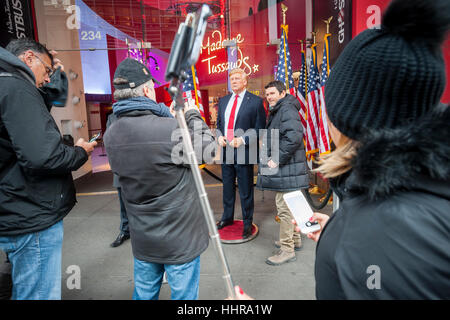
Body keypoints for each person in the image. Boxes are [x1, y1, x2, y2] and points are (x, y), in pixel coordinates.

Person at [304, 0, 450, 299]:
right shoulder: (415, 199)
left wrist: (353, 237)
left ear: (349, 119)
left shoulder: (383, 230)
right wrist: (339, 230)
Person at [104, 58, 215, 300]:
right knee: (184, 297)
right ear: (146, 90)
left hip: (144, 237)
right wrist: (193, 115)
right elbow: (209, 148)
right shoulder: (168, 128)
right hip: (180, 238)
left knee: (144, 294)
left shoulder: (111, 133)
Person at [0, 38, 96, 300]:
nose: (45, 79)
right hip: (29, 213)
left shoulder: (8, 84)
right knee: (38, 294)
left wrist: (52, 77)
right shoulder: (15, 87)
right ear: (29, 58)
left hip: (13, 208)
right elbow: (44, 156)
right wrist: (79, 153)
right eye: (46, 71)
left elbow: (23, 129)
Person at [107, 100, 172, 248]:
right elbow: (110, 144)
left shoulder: (151, 114)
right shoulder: (113, 117)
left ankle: (150, 234)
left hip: (147, 167)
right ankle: (125, 230)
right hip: (122, 170)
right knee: (124, 204)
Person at [256, 80, 309, 265]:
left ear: (283, 93)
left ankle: (287, 249)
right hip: (289, 169)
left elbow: (294, 137)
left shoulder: (286, 109)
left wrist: (276, 158)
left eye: (272, 93)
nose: (269, 97)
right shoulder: (281, 109)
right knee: (290, 206)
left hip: (287, 167)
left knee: (284, 208)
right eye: (267, 94)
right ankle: (294, 239)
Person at [216, 68, 266, 239]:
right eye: (232, 79)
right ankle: (227, 218)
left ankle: (246, 222)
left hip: (244, 151)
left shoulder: (256, 102)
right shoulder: (223, 101)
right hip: (226, 151)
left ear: (245, 81)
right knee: (227, 188)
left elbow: (260, 129)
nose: (234, 81)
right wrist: (219, 137)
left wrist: (243, 139)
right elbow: (218, 125)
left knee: (245, 190)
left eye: (237, 78)